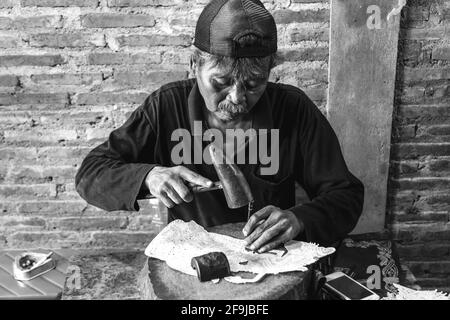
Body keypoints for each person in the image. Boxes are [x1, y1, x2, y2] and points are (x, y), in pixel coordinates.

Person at [75, 0, 364, 252]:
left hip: (272, 258)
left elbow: (346, 196)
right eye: (221, 82)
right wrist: (150, 175)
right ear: (194, 64)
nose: (237, 98)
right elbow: (91, 174)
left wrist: (299, 218)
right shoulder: (166, 107)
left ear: (269, 72)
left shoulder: (293, 109)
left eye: (253, 84)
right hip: (193, 259)